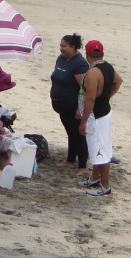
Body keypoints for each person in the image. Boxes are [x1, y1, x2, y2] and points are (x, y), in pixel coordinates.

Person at [79, 40, 122, 197]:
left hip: (97, 116)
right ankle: (94, 178)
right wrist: (107, 97)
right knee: (99, 148)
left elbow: (90, 99)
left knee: (100, 151)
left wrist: (83, 121)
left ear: (87, 54)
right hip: (105, 112)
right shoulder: (108, 67)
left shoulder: (92, 73)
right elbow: (118, 81)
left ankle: (105, 186)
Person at [49, 34, 90, 170]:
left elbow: (84, 88)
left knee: (78, 135)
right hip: (61, 105)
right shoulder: (61, 59)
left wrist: (80, 107)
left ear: (73, 47)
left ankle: (82, 166)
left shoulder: (80, 63)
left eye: (64, 46)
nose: (61, 49)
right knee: (70, 133)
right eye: (60, 45)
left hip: (73, 105)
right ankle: (70, 160)